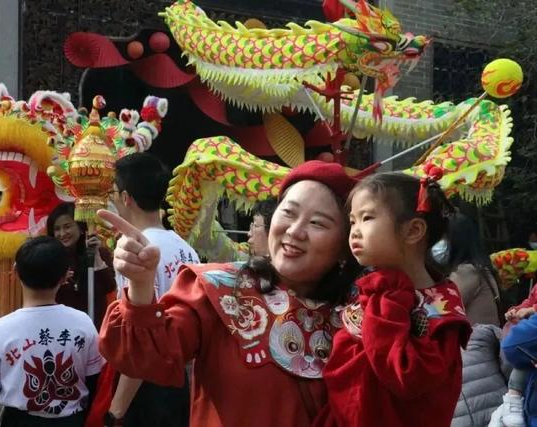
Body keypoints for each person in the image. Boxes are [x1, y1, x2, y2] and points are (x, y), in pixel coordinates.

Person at [96, 160, 360, 427]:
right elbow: (146, 358)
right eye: (288, 213)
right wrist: (141, 285)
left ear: (345, 245)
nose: (295, 231)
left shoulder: (359, 317)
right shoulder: (218, 290)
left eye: (317, 223)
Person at [317, 172, 471, 427]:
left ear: (413, 231)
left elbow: (408, 377)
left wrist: (389, 296)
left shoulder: (440, 311)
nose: (354, 231)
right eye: (352, 221)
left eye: (367, 218)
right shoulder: (374, 290)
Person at [0, 236, 104, 426]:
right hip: (73, 421)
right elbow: (94, 382)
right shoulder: (83, 323)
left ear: (15, 272)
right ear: (64, 277)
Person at [102, 152, 200, 426]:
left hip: (145, 389)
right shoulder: (186, 248)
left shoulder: (134, 253)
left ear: (126, 198)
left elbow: (141, 339)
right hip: (178, 382)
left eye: (113, 193)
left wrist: (116, 409)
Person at [47, 202, 115, 329]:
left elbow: (109, 286)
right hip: (63, 328)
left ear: (80, 227)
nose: (62, 233)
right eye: (57, 229)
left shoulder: (99, 252)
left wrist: (95, 257)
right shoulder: (51, 258)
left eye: (67, 226)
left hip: (94, 325)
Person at [436, 212, 501, 326]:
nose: (436, 244)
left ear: (456, 240)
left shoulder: (466, 272)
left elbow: (438, 311)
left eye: (442, 237)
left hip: (472, 342)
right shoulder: (479, 268)